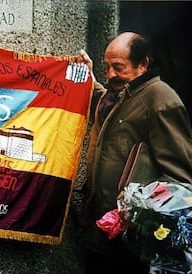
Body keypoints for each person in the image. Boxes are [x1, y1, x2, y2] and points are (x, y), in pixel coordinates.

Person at [78, 32, 192, 274]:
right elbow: (107, 104)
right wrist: (88, 78)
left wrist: (135, 215)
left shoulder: (160, 98)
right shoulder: (124, 92)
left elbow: (179, 179)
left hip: (130, 242)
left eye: (118, 67)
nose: (110, 75)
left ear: (143, 65)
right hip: (99, 230)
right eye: (106, 67)